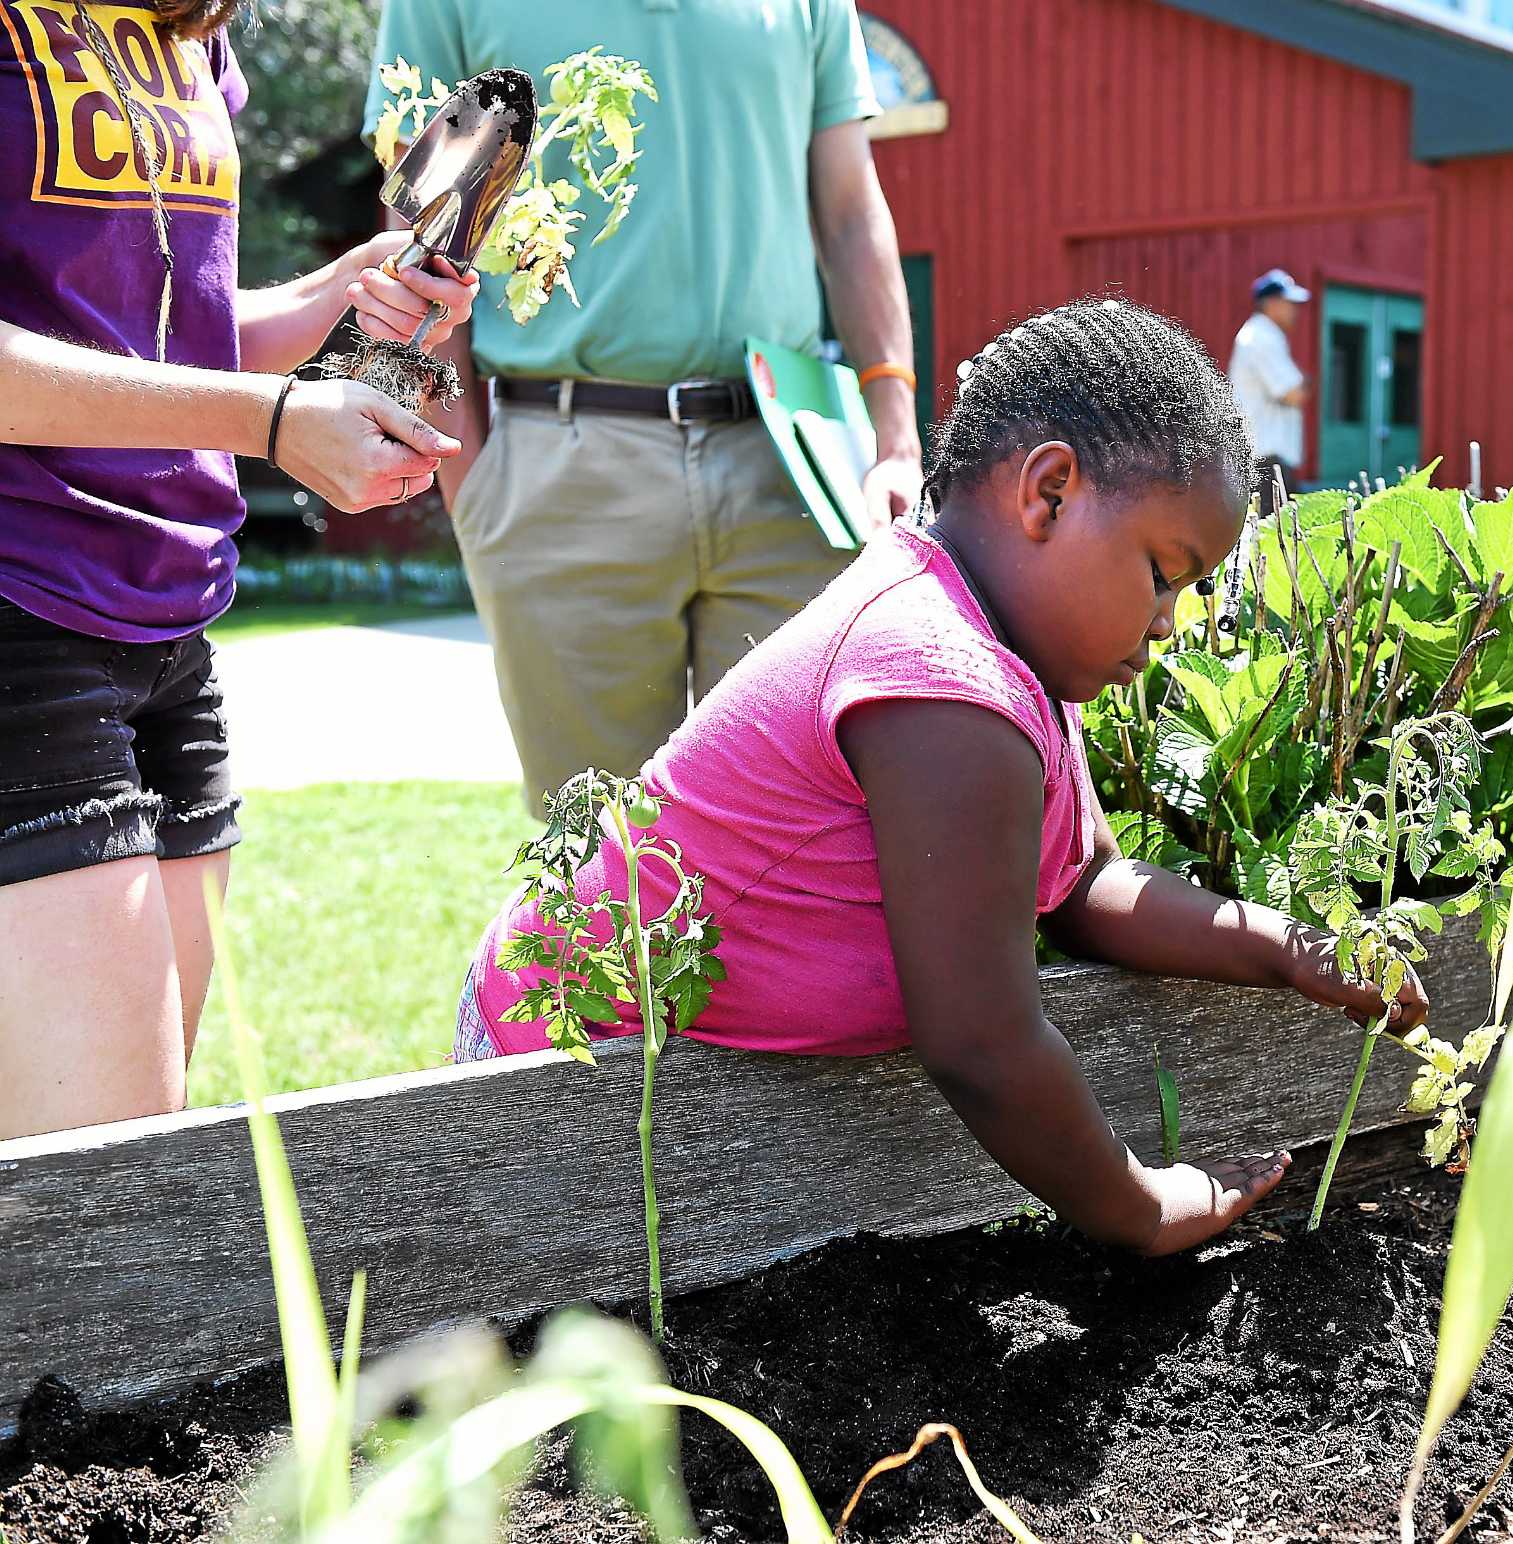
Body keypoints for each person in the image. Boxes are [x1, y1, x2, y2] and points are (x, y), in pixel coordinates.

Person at [456, 300, 1428, 1255]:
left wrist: (1286, 949)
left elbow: (1084, 884)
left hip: (680, 1083)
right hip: (564, 1063)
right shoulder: (937, 682)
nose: (1171, 619)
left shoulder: (995, 646)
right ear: (1047, 493)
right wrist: (1140, 1204)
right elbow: (981, 1043)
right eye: (1162, 572)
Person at [0, 0, 478, 1140]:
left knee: (139, 1144)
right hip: (24, 605)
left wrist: (337, 298)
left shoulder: (188, 24)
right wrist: (270, 420)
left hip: (172, 619)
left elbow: (168, 329)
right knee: (103, 1194)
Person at [364, 0, 924, 820]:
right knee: (596, 866)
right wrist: (468, 478)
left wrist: (896, 440)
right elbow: (424, 232)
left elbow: (850, 212)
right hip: (560, 467)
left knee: (802, 847)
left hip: (789, 470)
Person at [1228, 268, 1311, 479]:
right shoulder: (1262, 337)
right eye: (1289, 303)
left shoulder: (1262, 334)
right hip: (1264, 458)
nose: (1295, 310)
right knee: (1273, 513)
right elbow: (1293, 393)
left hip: (1262, 456)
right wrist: (1306, 381)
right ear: (1272, 303)